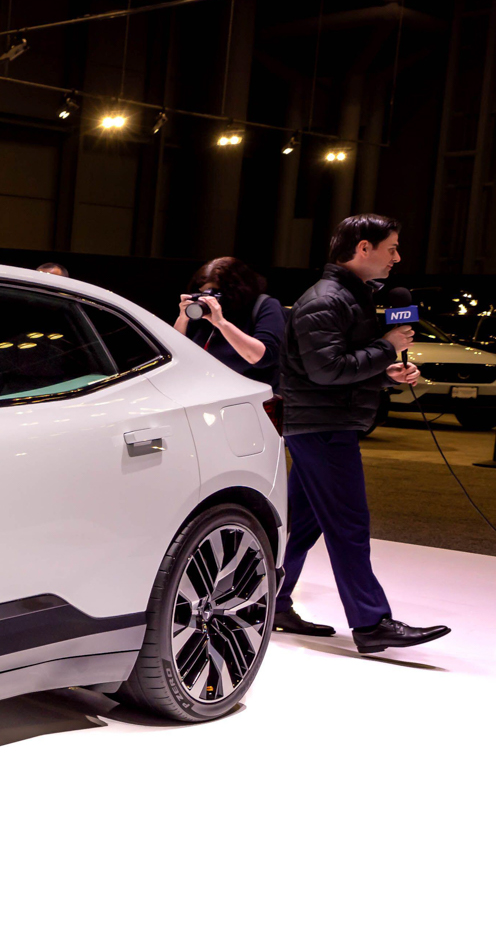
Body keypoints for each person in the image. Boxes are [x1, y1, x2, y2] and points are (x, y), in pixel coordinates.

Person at [272, 213, 451, 653]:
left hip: (324, 423)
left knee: (300, 524)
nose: (397, 258)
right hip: (324, 427)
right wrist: (387, 348)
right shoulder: (326, 300)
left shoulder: (346, 296)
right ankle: (371, 623)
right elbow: (327, 370)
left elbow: (336, 367)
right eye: (391, 248)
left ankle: (272, 601)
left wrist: (386, 371)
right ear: (363, 248)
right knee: (348, 524)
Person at [170, 255, 286, 384]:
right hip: (203, 387)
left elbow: (263, 358)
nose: (210, 298)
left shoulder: (265, 306)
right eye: (204, 292)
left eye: (216, 293)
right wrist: (183, 318)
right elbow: (174, 353)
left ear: (236, 290)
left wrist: (221, 323)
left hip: (248, 391)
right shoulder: (203, 310)